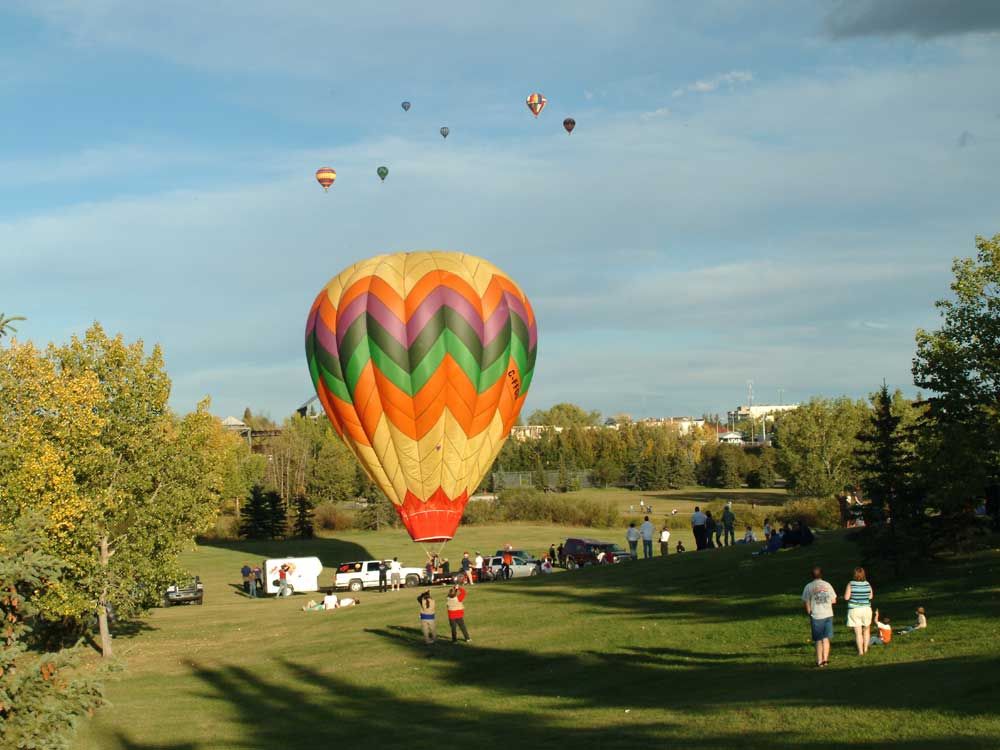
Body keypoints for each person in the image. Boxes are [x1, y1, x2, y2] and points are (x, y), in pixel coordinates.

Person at [802, 565, 837, 667]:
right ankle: (825, 660)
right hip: (828, 614)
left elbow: (806, 600)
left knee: (818, 639)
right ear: (822, 574)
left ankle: (819, 661)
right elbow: (834, 600)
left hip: (816, 615)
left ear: (811, 576)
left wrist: (809, 611)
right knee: (825, 638)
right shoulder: (827, 585)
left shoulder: (809, 586)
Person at [844, 567, 874, 656]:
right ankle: (865, 649)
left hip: (854, 610)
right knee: (866, 630)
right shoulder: (867, 584)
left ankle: (860, 652)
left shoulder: (850, 584)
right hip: (866, 609)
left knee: (858, 632)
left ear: (855, 574)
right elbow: (871, 597)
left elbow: (846, 597)